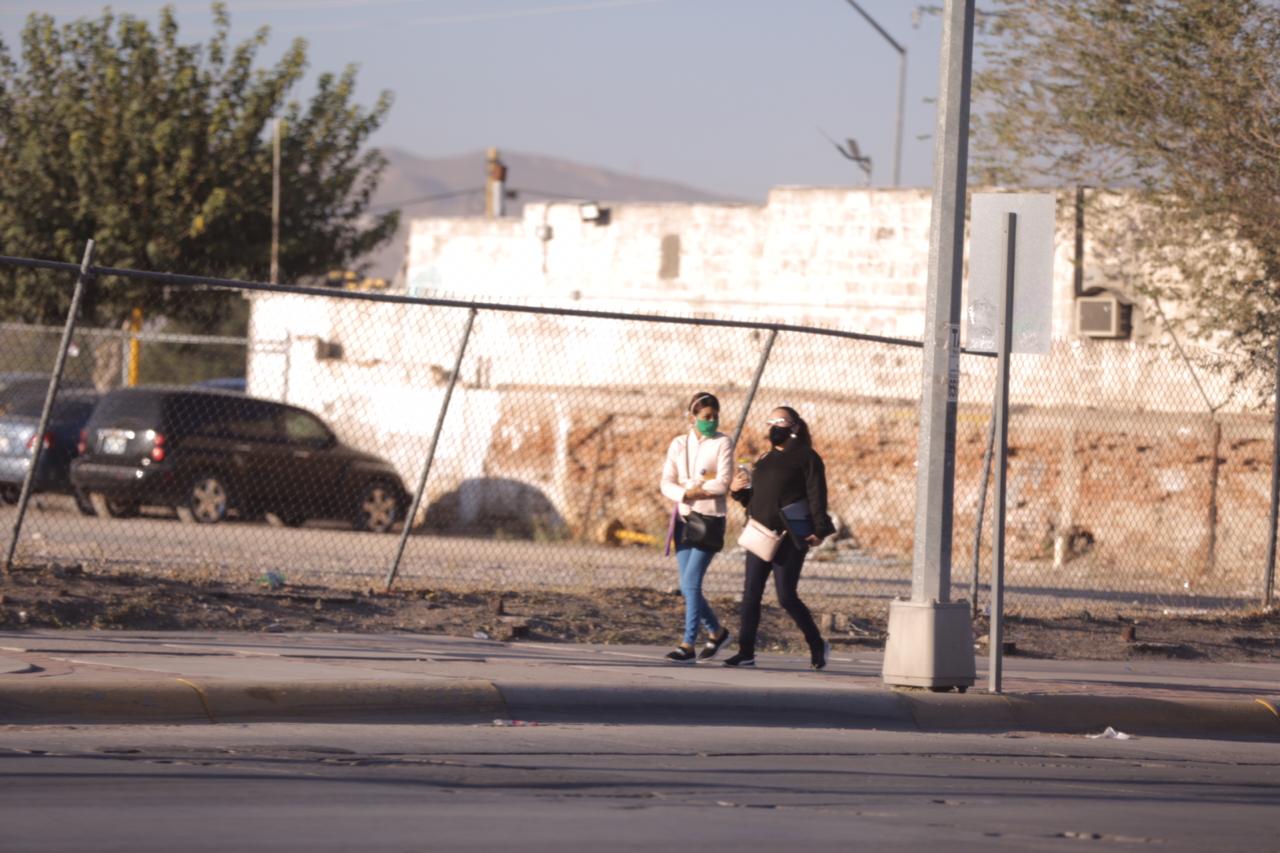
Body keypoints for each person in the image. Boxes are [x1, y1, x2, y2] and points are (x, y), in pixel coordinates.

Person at [724, 405, 835, 670]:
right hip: (760, 533)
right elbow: (756, 501)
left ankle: (817, 643)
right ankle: (746, 651)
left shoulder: (807, 457)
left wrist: (819, 529)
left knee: (786, 596)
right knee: (751, 593)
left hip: (790, 535)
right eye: (771, 421)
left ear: (795, 427)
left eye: (781, 421)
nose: (775, 426)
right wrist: (739, 490)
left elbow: (817, 495)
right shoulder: (765, 459)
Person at [659, 391, 734, 663]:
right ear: (693, 418)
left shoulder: (723, 443)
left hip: (709, 520)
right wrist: (686, 494)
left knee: (690, 583)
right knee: (687, 583)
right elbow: (666, 482)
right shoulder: (679, 444)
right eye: (705, 417)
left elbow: (723, 483)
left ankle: (688, 643)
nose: (711, 421)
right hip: (683, 519)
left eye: (715, 416)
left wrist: (693, 488)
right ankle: (717, 632)